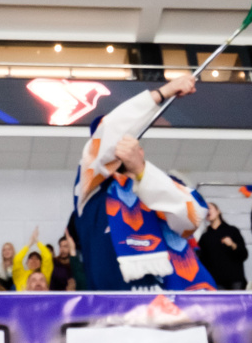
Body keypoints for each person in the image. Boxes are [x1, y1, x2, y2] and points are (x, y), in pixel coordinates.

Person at [71, 74, 215, 291]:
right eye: (114, 141)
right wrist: (163, 92)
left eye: (129, 138)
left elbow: (193, 218)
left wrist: (141, 171)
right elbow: (108, 132)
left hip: (181, 302)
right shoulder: (90, 189)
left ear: (140, 149)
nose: (119, 145)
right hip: (115, 306)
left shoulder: (165, 183)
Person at [197, 203, 248, 291]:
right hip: (216, 281)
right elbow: (201, 261)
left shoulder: (232, 230)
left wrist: (232, 245)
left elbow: (244, 254)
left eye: (210, 208)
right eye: (206, 209)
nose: (208, 211)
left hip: (235, 280)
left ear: (218, 211)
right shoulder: (205, 237)